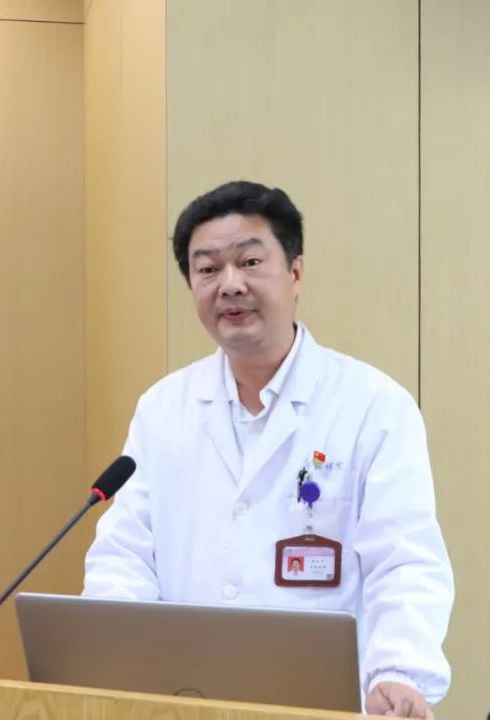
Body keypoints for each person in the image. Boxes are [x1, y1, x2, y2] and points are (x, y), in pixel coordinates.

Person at [83, 181, 454, 718]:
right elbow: (125, 556)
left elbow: (404, 562)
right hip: (186, 703)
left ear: (295, 272)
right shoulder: (163, 408)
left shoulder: (373, 406)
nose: (229, 284)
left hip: (321, 706)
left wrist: (398, 672)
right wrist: (114, 662)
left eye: (250, 262)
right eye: (207, 269)